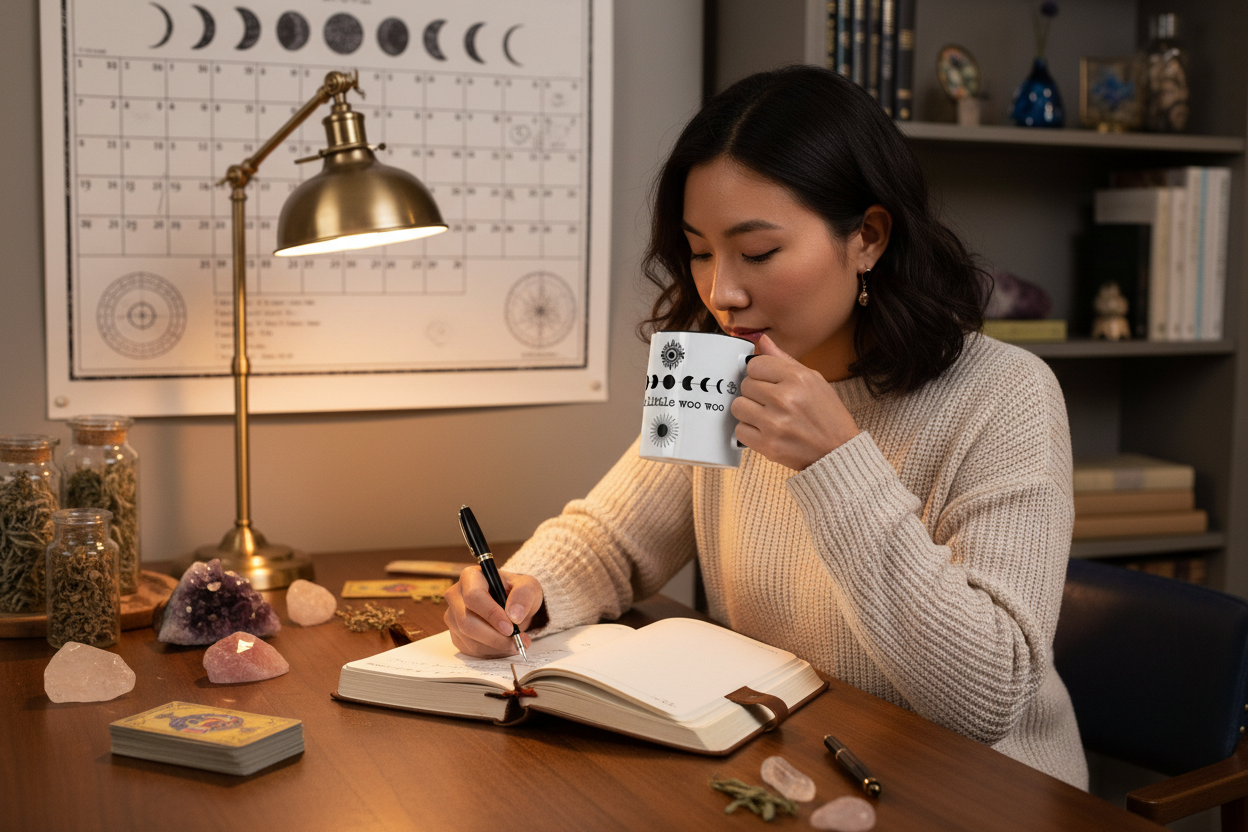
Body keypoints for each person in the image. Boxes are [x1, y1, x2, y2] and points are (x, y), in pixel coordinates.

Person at [444, 65, 1087, 789]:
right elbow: (613, 541)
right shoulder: (719, 367)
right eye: (698, 250)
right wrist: (527, 591)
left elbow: (986, 696)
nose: (722, 292)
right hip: (789, 763)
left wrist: (836, 461)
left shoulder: (1006, 394)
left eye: (757, 252)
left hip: (975, 792)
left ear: (868, 237)